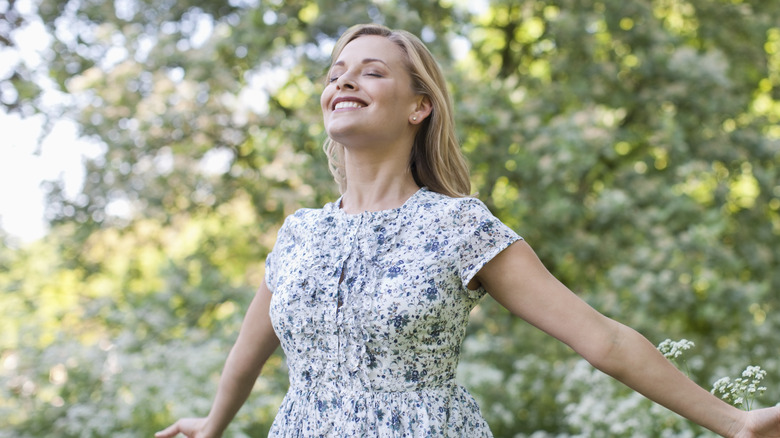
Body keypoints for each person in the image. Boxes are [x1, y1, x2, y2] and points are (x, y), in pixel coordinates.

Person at [156, 23, 780, 438]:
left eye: (371, 72)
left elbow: (602, 341)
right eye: (336, 72)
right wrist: (213, 423)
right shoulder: (298, 235)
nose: (343, 80)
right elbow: (248, 351)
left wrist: (736, 423)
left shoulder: (458, 226)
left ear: (417, 106)